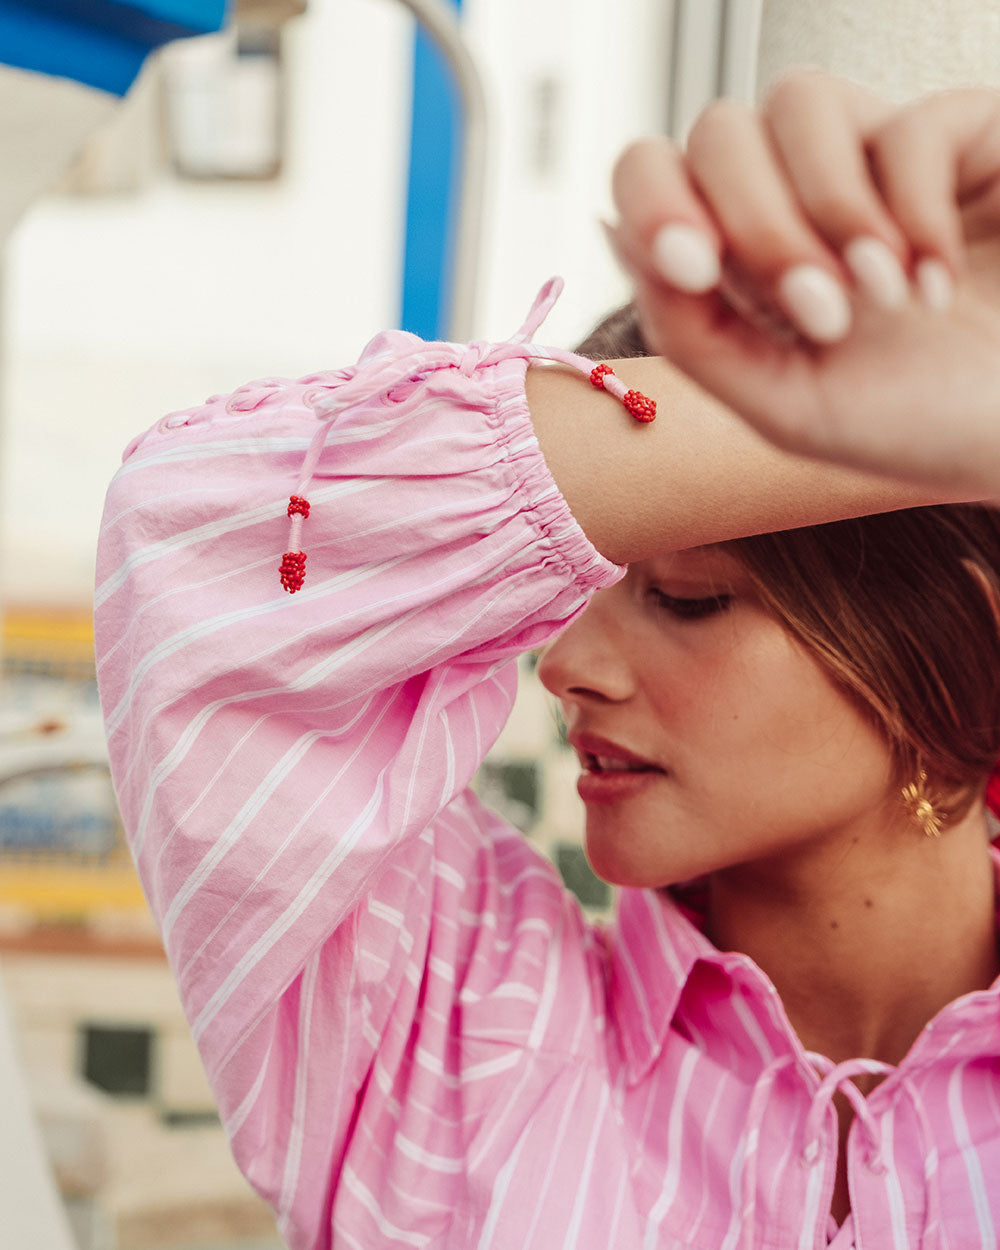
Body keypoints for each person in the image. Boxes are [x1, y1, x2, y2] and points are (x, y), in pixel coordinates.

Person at [95, 72, 1000, 1249]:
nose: (565, 664)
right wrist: (895, 413)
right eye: (583, 589)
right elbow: (188, 550)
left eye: (685, 598)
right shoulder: (454, 1018)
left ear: (942, 635)